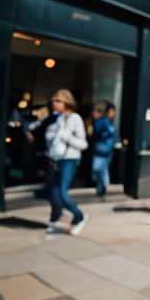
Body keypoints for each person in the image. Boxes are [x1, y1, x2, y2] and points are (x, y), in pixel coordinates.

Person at [42, 89, 88, 234]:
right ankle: (55, 220)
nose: (54, 103)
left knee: (61, 192)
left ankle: (79, 216)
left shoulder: (75, 118)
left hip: (70, 159)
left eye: (58, 100)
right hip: (56, 158)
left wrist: (65, 136)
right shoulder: (58, 118)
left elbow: (83, 144)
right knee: (53, 193)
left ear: (66, 102)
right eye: (53, 100)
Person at [90, 103, 117, 199]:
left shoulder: (105, 122)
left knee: (100, 170)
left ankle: (102, 188)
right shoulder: (103, 122)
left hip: (105, 150)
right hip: (102, 150)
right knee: (100, 170)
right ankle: (102, 188)